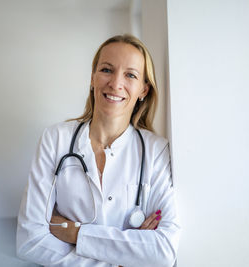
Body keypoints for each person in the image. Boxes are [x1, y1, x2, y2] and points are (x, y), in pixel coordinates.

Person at [16, 34, 180, 266]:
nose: (115, 83)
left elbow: (163, 251)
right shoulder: (56, 139)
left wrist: (76, 234)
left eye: (130, 75)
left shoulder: (156, 151)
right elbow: (29, 241)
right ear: (93, 78)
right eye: (106, 70)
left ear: (144, 90)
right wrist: (124, 259)